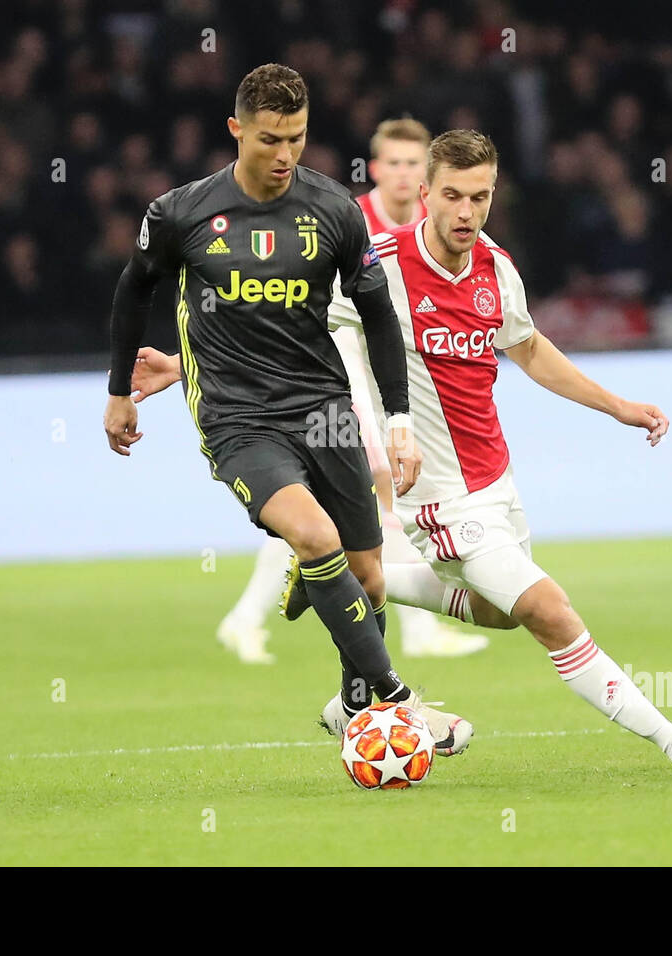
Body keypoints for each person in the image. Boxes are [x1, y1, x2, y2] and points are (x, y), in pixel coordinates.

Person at [290, 130, 672, 768]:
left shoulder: (495, 266)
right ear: (423, 192)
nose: (466, 213)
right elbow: (293, 319)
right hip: (441, 499)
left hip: (497, 480)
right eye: (453, 197)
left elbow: (529, 350)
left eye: (480, 197)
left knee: (499, 613)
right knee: (549, 609)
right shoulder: (380, 266)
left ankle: (359, 577)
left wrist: (618, 406)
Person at [105, 64, 472, 756]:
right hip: (238, 420)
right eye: (270, 139)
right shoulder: (181, 213)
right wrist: (118, 389)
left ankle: (353, 710)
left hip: (324, 409)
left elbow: (378, 315)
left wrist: (396, 419)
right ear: (236, 130)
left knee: (368, 578)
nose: (284, 156)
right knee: (314, 537)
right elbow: (133, 291)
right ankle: (400, 705)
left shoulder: (331, 210)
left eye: (297, 139)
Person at [212, 116, 489, 662]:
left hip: (390, 373)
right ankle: (407, 631)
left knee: (366, 504)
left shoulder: (438, 227)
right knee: (378, 491)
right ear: (378, 168)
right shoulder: (347, 219)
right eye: (396, 163)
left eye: (416, 164)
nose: (406, 174)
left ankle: (246, 618)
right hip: (337, 371)